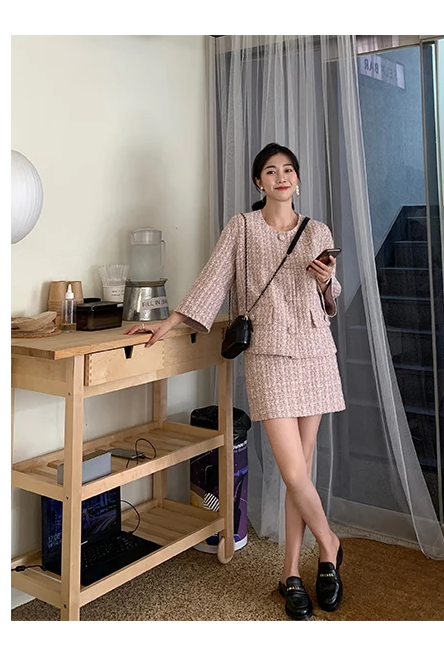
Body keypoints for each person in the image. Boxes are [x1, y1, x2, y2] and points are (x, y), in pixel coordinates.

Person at [125, 142, 345, 620]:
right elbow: (212, 281)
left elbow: (330, 302)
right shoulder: (242, 228)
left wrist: (326, 280)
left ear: (297, 180)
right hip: (268, 356)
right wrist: (168, 322)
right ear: (258, 182)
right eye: (271, 170)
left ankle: (291, 572)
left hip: (314, 352)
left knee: (301, 474)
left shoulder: (317, 231)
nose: (281, 177)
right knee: (292, 472)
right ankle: (329, 545)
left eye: (288, 169)